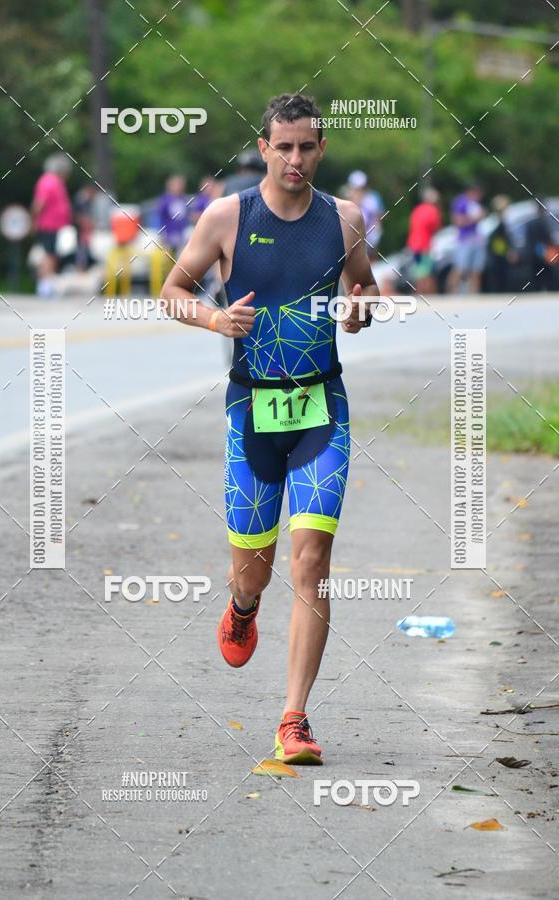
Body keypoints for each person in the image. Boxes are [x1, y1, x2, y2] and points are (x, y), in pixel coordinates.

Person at [162, 92, 379, 765]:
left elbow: (366, 288)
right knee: (252, 573)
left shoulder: (344, 219)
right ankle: (243, 606)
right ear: (262, 148)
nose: (294, 158)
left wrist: (358, 311)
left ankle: (294, 721)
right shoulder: (229, 217)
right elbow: (173, 290)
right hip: (251, 411)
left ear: (321, 150)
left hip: (323, 406)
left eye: (306, 147)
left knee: (312, 562)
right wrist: (214, 320)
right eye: (282, 146)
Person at [31, 153, 72, 277]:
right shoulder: (48, 181)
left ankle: (47, 283)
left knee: (52, 254)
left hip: (55, 226)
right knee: (49, 255)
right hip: (48, 226)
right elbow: (39, 204)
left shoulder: (55, 181)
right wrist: (33, 221)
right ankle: (45, 284)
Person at [446, 183, 487, 294]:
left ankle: (474, 293)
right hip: (464, 240)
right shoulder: (461, 202)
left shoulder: (475, 203)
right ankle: (451, 293)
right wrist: (473, 219)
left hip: (476, 240)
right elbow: (457, 221)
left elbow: (483, 214)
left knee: (476, 270)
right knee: (459, 268)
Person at [406, 187, 442, 294]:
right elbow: (436, 227)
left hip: (413, 244)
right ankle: (425, 293)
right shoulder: (433, 210)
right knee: (426, 272)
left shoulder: (417, 209)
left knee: (419, 270)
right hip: (425, 244)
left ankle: (418, 293)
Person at [346, 170, 384, 259]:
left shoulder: (373, 198)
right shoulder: (347, 200)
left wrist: (376, 233)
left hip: (369, 239)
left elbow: (378, 217)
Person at [486, 195, 517, 293]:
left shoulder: (500, 220)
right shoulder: (495, 221)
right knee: (498, 274)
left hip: (499, 251)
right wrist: (508, 250)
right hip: (498, 252)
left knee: (502, 274)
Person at [155, 174, 190, 253]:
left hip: (181, 235)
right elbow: (160, 217)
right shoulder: (165, 200)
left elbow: (186, 218)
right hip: (168, 234)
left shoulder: (184, 199)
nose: (178, 187)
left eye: (180, 185)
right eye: (176, 185)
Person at [525, 203, 556, 291]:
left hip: (533, 254)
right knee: (547, 274)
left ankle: (539, 289)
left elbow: (528, 240)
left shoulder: (531, 223)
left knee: (536, 276)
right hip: (545, 254)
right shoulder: (545, 223)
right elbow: (549, 239)